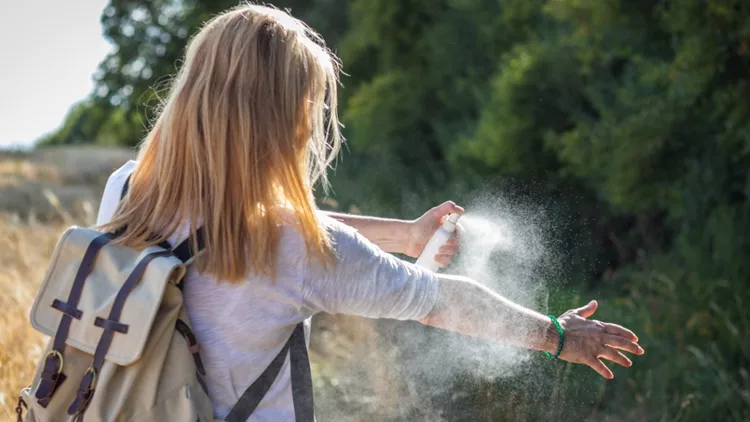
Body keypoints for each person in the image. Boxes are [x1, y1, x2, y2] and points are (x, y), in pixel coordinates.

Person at [96, 3, 644, 421]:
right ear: (284, 116)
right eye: (309, 102)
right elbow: (443, 301)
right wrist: (557, 335)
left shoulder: (129, 188)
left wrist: (406, 236)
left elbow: (256, 224)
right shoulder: (294, 247)